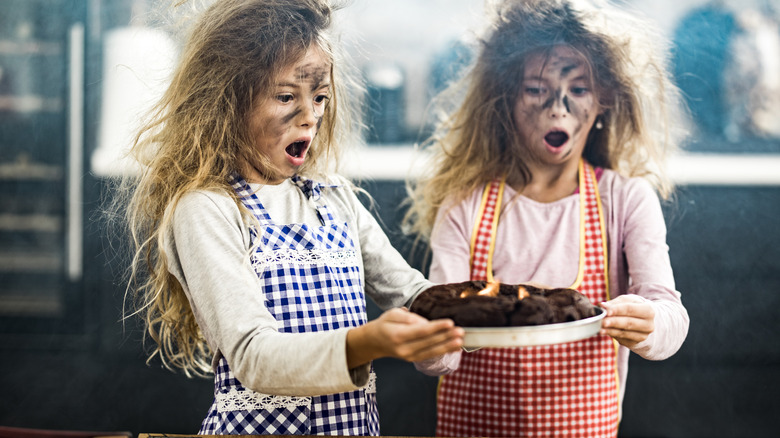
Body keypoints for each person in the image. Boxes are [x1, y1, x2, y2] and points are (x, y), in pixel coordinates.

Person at [114, 0, 464, 435]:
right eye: (286, 96)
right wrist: (366, 342)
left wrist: (445, 337)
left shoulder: (336, 202)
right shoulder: (208, 208)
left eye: (319, 97)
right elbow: (255, 356)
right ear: (227, 100)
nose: (310, 116)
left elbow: (414, 295)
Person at [404, 0, 691, 436]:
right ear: (505, 99)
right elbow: (441, 358)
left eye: (578, 90)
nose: (558, 108)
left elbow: (670, 316)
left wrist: (651, 322)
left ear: (604, 101)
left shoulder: (626, 200)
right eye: (536, 89)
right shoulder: (464, 205)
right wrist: (425, 342)